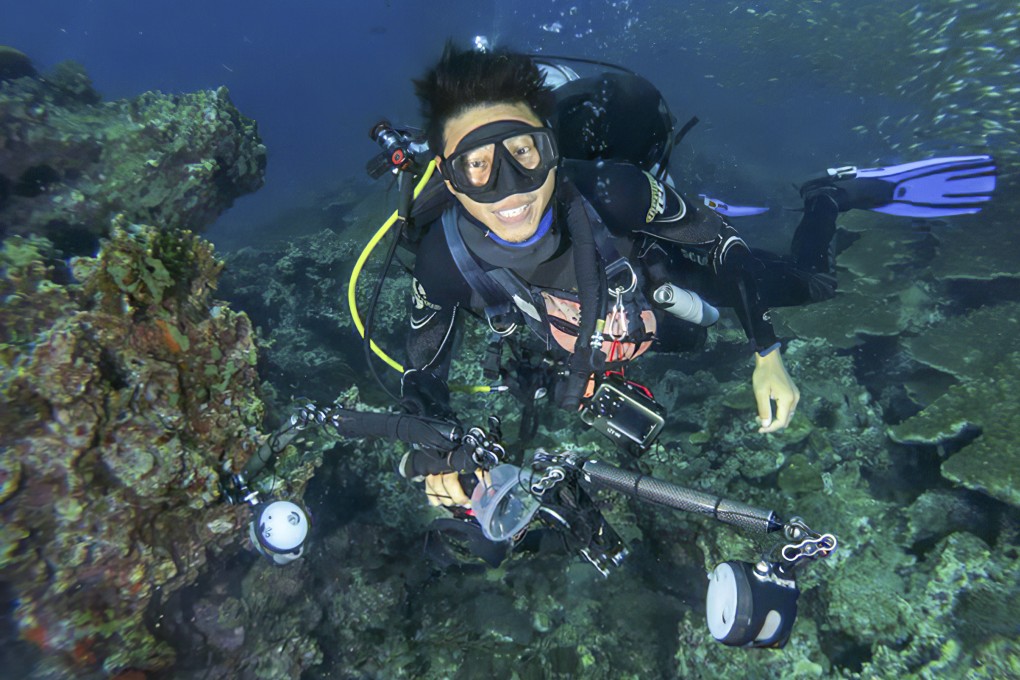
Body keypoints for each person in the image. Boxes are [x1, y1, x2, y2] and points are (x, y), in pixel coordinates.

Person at [397, 43, 996, 512]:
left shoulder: (614, 189)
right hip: (618, 320)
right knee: (686, 340)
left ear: (551, 149)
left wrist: (766, 350)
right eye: (477, 167)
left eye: (523, 153)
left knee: (816, 287)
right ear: (449, 182)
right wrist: (436, 455)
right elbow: (423, 369)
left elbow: (720, 243)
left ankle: (830, 194)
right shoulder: (444, 261)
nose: (511, 189)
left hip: (667, 269)